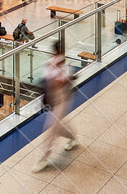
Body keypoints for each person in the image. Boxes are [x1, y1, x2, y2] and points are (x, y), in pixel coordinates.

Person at [32, 41, 78, 172]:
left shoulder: (64, 68)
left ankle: (42, 159)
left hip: (61, 102)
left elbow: (62, 82)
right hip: (53, 102)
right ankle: (73, 138)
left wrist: (62, 76)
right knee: (58, 127)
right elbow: (47, 80)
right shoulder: (50, 64)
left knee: (51, 129)